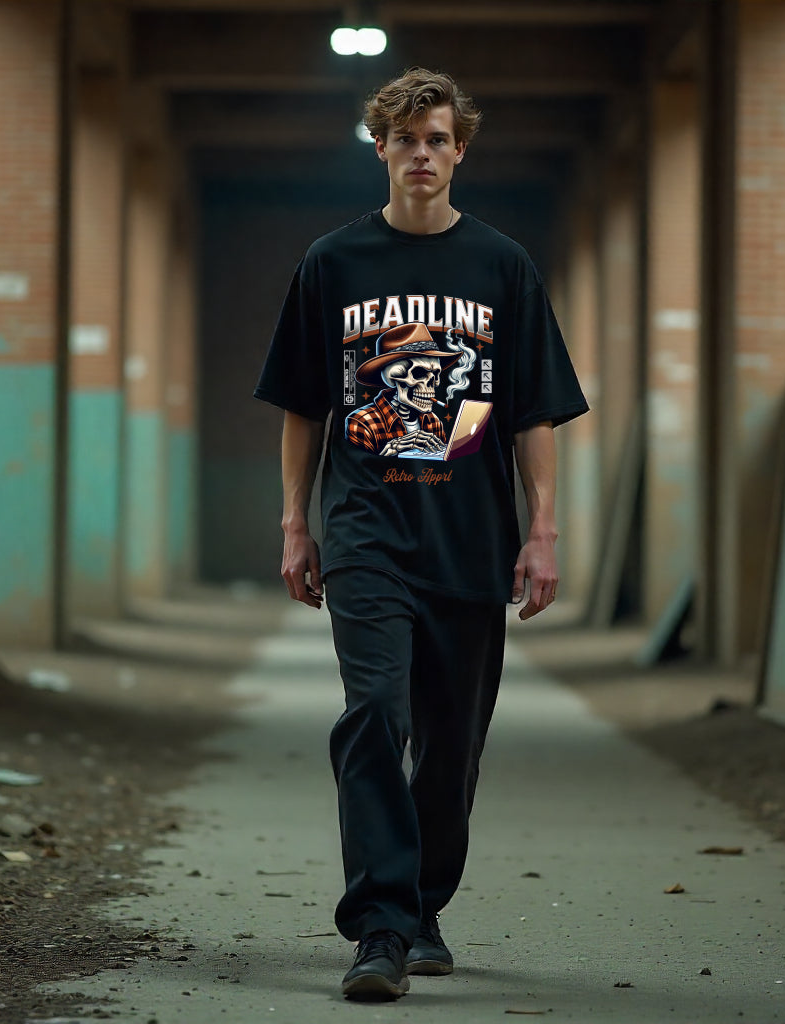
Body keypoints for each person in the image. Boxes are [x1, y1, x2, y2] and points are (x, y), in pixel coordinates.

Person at [254, 67, 588, 1001]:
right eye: (405, 140)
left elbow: (532, 413)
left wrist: (544, 530)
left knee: (451, 741)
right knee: (375, 718)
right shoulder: (332, 264)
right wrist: (295, 524)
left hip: (471, 537)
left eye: (438, 139)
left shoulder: (502, 267)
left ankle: (424, 900)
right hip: (364, 530)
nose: (422, 155)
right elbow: (302, 405)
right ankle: (381, 928)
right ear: (382, 150)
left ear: (460, 150)